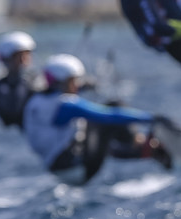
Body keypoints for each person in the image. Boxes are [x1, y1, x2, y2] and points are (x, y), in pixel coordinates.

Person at [21, 54, 171, 184]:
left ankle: (139, 149)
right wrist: (152, 118)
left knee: (91, 132)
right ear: (61, 82)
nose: (77, 85)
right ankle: (144, 147)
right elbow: (109, 115)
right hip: (79, 169)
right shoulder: (66, 106)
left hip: (59, 170)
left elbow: (62, 93)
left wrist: (86, 86)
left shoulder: (36, 100)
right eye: (73, 81)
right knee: (113, 107)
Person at [0, 30, 42, 128]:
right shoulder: (2, 87)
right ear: (7, 59)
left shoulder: (36, 79)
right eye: (18, 57)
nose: (24, 60)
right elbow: (11, 115)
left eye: (27, 55)